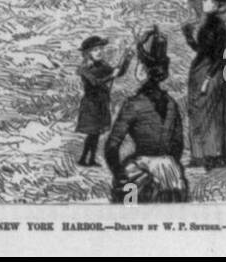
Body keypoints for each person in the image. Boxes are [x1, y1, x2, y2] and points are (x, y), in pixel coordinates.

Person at [104, 26, 188, 203]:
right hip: (171, 177)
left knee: (127, 205)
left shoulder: (133, 105)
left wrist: (119, 173)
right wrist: (166, 165)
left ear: (142, 70)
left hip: (139, 177)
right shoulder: (172, 104)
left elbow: (112, 147)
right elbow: (177, 146)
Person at [184, 0, 226, 170]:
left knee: (206, 114)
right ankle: (203, 155)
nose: (203, 2)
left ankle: (209, 156)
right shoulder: (208, 24)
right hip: (202, 70)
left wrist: (207, 79)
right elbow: (202, 50)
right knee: (200, 112)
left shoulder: (218, 26)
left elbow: (218, 55)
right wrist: (189, 37)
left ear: (215, 3)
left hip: (209, 73)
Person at [75, 36, 131, 167]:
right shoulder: (84, 69)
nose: (99, 52)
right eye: (95, 50)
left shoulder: (103, 65)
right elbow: (95, 83)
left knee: (96, 134)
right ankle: (84, 158)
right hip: (91, 105)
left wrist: (127, 58)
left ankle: (90, 159)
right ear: (88, 53)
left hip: (101, 104)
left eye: (100, 49)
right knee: (92, 133)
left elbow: (119, 73)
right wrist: (111, 76)